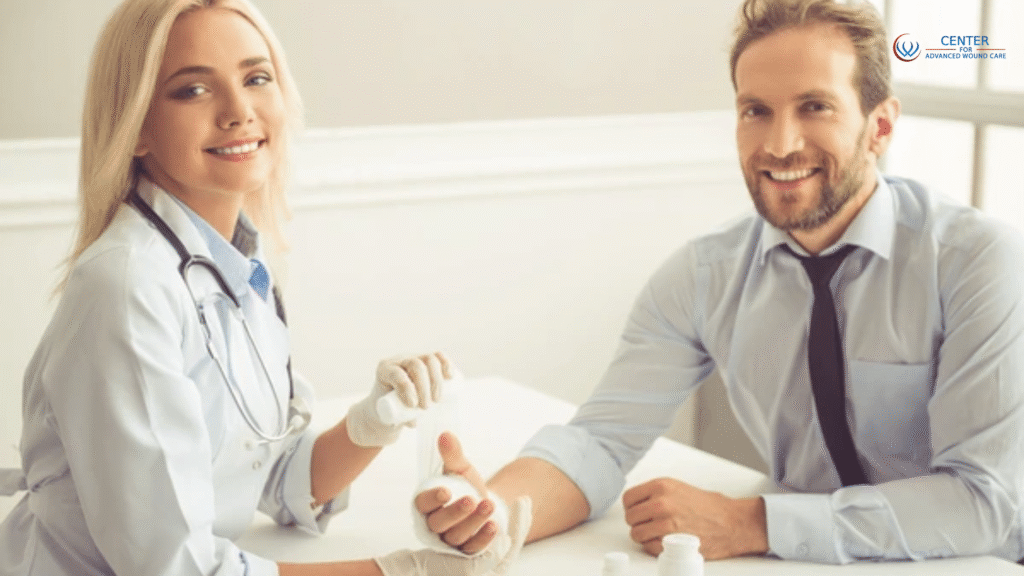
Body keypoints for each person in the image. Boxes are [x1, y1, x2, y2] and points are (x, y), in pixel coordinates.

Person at [416, 0, 1024, 565]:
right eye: (756, 111)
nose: (781, 145)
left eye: (815, 106)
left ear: (881, 127)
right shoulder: (703, 277)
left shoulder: (976, 262)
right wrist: (494, 512)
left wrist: (754, 523)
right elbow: (599, 445)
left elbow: (984, 503)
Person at [0, 1, 528, 575]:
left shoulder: (237, 269)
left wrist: (373, 423)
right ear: (137, 127)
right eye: (192, 91)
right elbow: (174, 568)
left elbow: (269, 473)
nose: (239, 111)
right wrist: (399, 572)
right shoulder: (127, 286)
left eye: (256, 78)